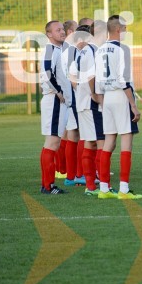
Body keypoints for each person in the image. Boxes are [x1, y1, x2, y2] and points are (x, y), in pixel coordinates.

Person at [95, 15, 142, 199]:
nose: (126, 32)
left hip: (106, 98)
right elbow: (124, 80)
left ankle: (104, 189)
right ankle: (124, 189)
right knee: (126, 141)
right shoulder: (123, 49)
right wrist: (133, 105)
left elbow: (98, 80)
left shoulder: (99, 51)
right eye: (125, 29)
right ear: (118, 30)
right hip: (121, 96)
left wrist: (102, 102)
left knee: (108, 142)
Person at [70, 22, 105, 196]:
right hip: (91, 103)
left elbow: (72, 77)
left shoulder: (81, 52)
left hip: (82, 102)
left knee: (89, 142)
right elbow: (91, 74)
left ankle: (90, 185)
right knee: (102, 142)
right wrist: (93, 93)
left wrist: (81, 91)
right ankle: (102, 184)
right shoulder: (91, 50)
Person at [38, 20, 68, 194]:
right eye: (58, 30)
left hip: (58, 100)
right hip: (54, 100)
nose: (62, 32)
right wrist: (58, 91)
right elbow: (47, 72)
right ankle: (48, 185)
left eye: (62, 29)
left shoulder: (58, 50)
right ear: (49, 34)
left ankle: (47, 184)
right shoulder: (50, 49)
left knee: (53, 142)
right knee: (52, 142)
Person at [60, 19, 85, 187]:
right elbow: (72, 76)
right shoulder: (72, 51)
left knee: (72, 135)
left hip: (69, 97)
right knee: (83, 134)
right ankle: (79, 174)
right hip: (75, 97)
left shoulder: (64, 51)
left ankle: (71, 176)